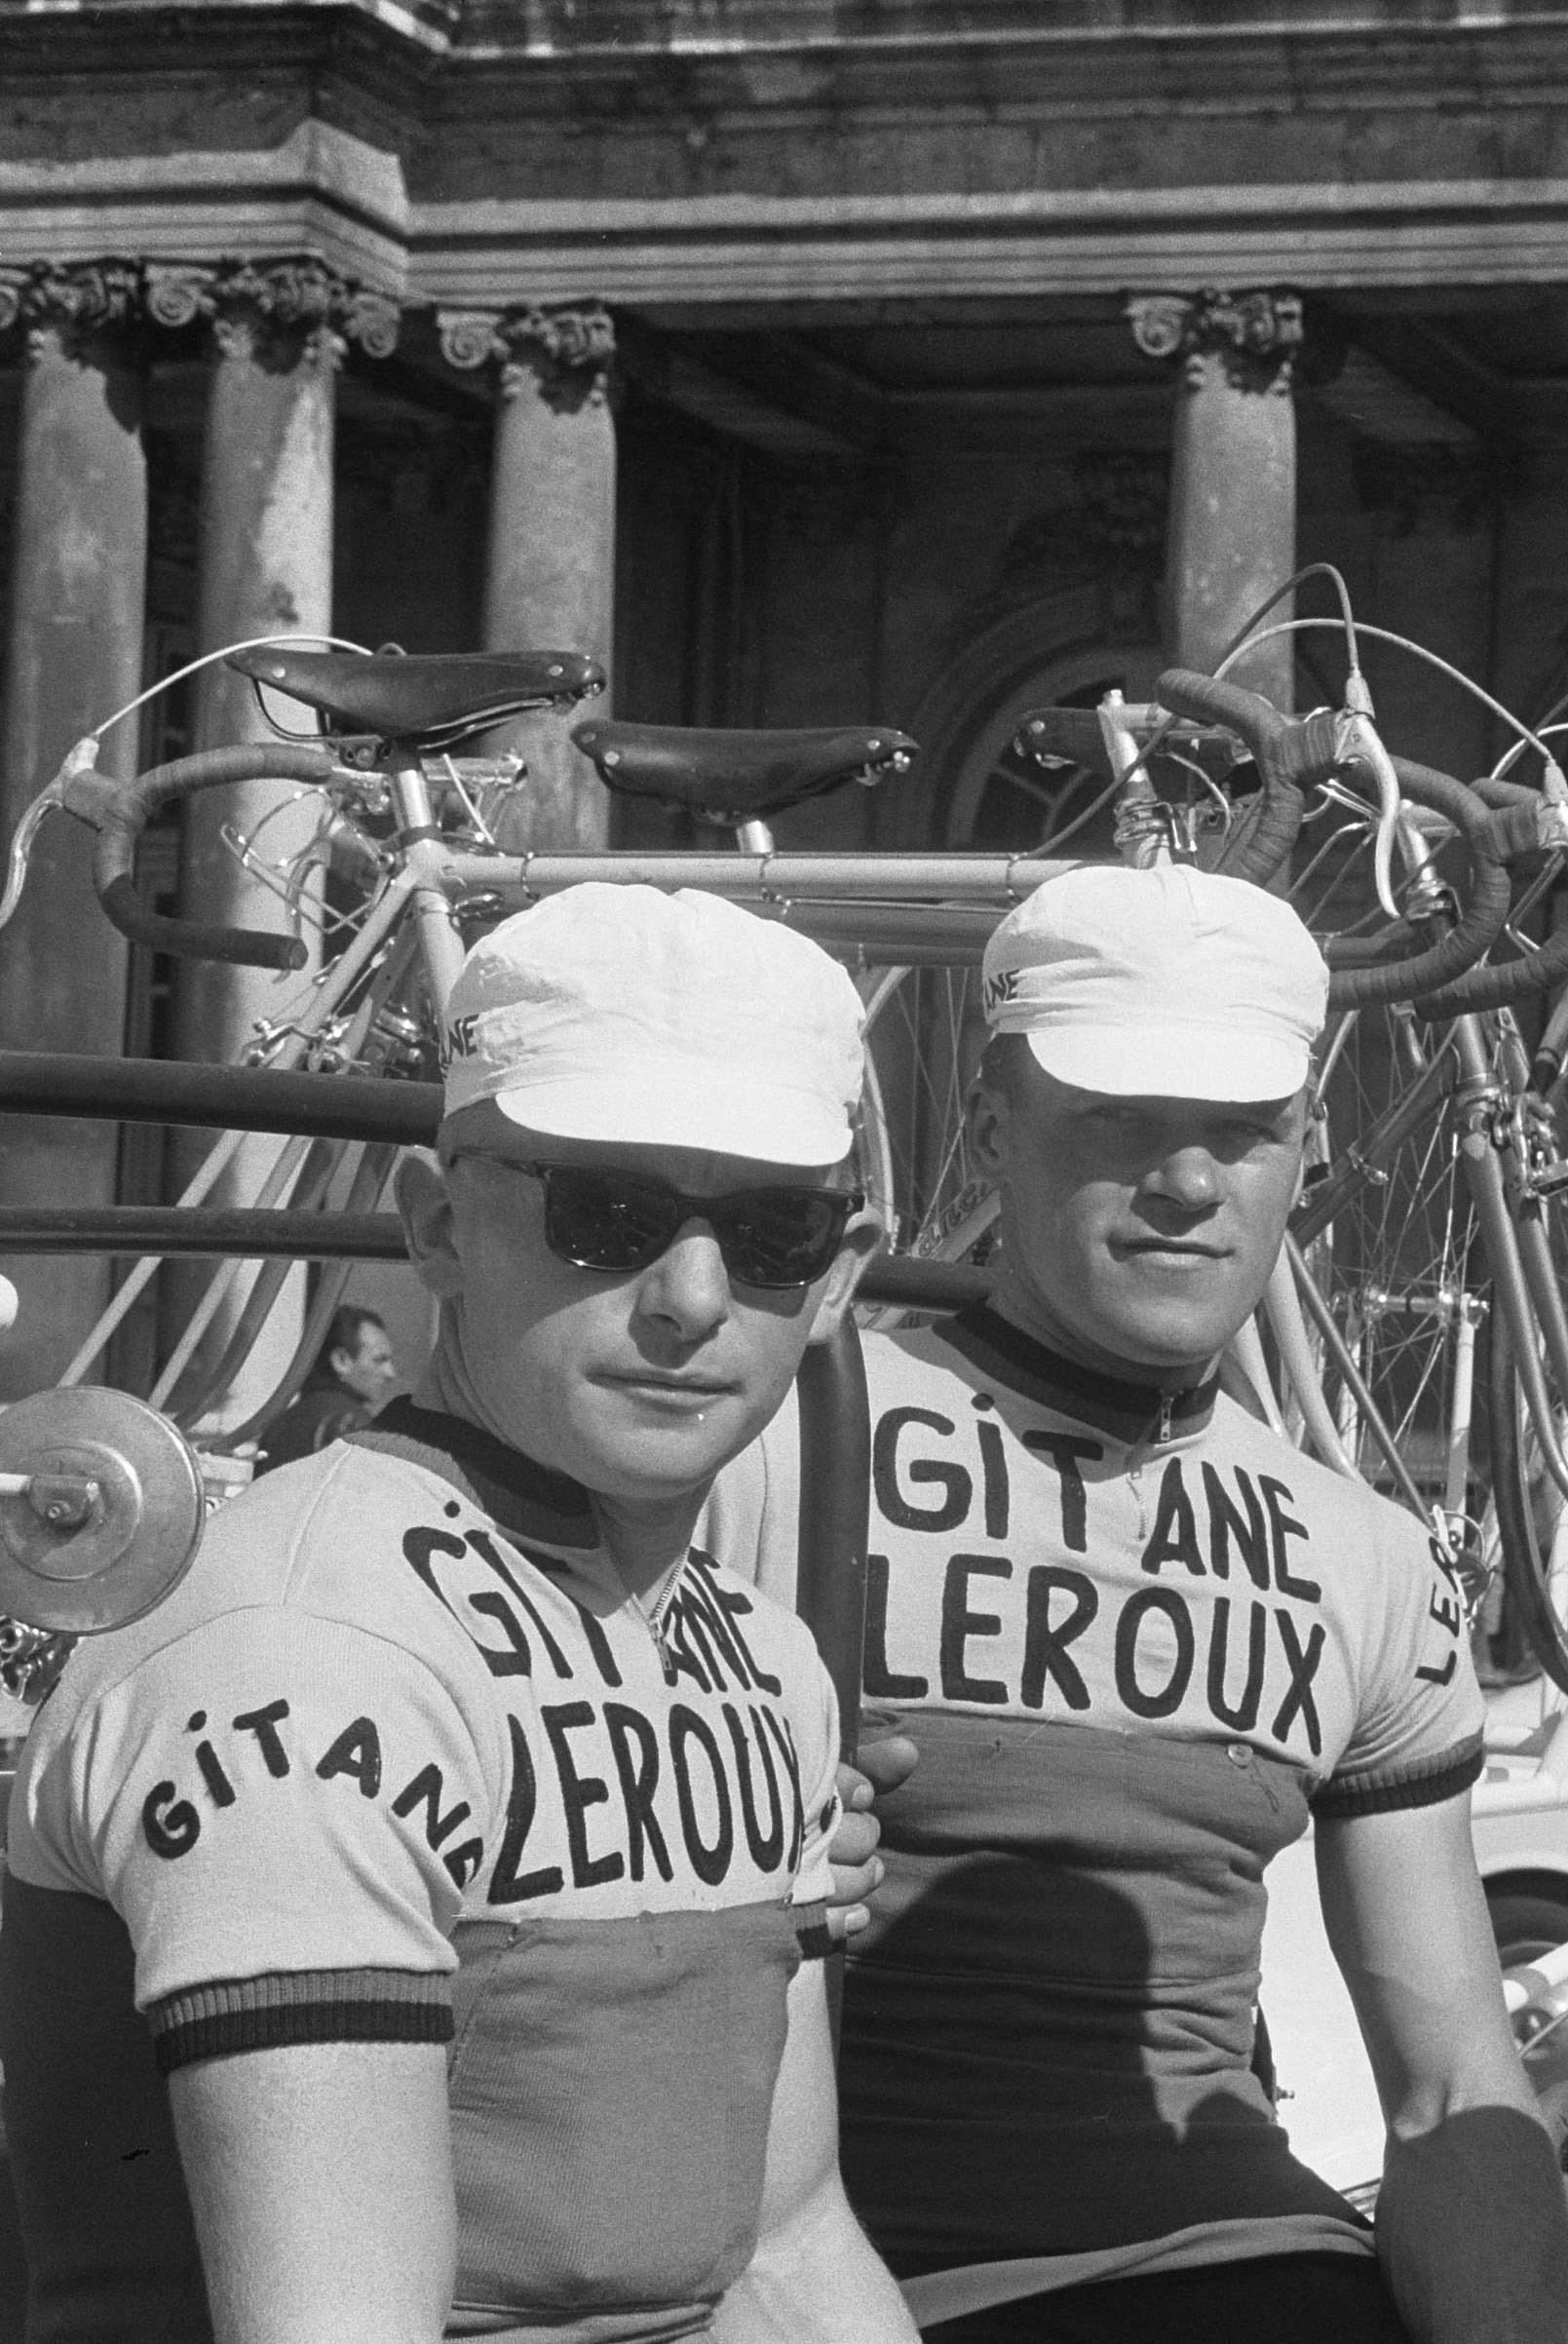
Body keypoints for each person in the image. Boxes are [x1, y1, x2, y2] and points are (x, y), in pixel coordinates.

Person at [1, 885, 913, 2343]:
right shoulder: (306, 1656)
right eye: (603, 1211)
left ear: (840, 1277)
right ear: (435, 1223)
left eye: (770, 1231)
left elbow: (791, 2256)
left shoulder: (763, 1657)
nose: (690, 1294)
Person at [828, 863, 1568, 2344]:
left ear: (1303, 1150)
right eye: (1121, 1119)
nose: (1186, 1182)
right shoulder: (783, 1440)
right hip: (857, 2280)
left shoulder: (1361, 1550)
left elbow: (1453, 2089)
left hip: (1250, 2261)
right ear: (990, 1122)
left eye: (1241, 1131)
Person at [253, 1300, 401, 1473]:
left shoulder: (277, 1427)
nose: (391, 1373)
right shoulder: (354, 1426)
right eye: (379, 1360)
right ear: (341, 1360)